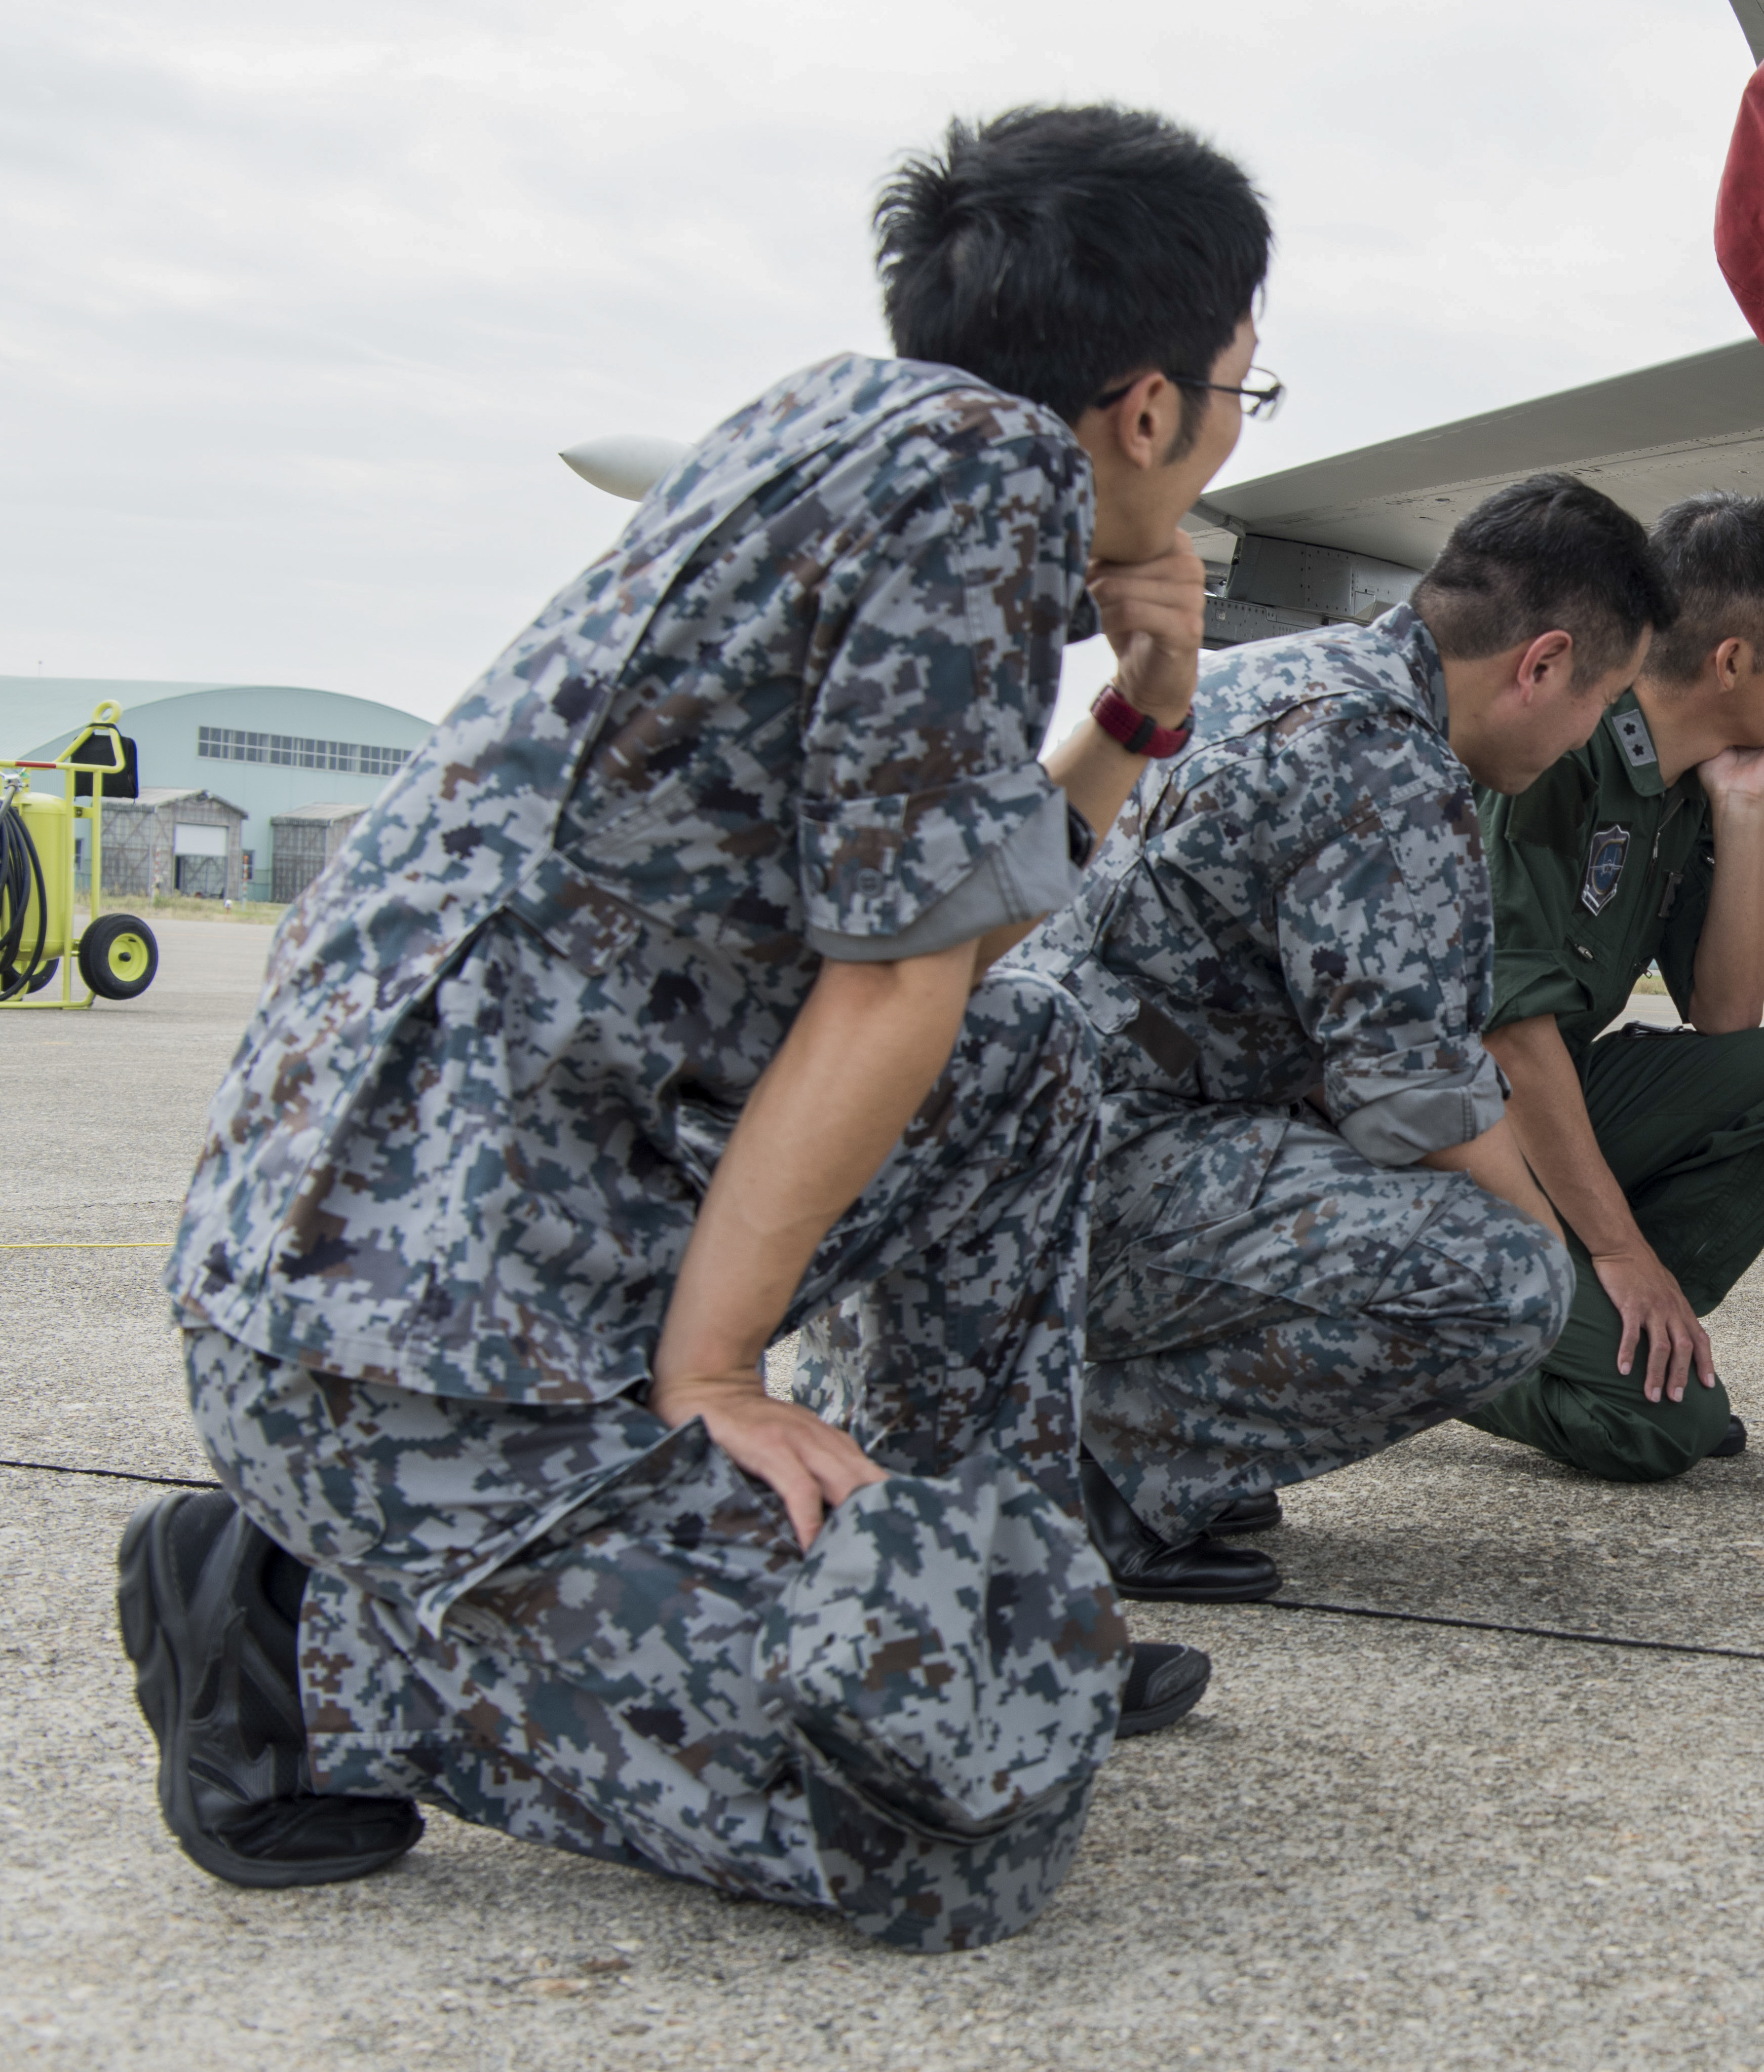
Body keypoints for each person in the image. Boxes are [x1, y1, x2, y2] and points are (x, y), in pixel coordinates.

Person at [134, 105, 1270, 1952]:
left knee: (1026, 1063)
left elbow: (951, 937)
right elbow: (890, 979)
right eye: (1243, 390)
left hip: (528, 1224)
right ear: (1149, 407)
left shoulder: (847, 428)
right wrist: (721, 1373)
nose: (1233, 435)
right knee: (950, 1840)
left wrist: (1138, 707)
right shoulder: (985, 474)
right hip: (413, 1352)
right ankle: (301, 1637)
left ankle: (959, 1577)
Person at [1027, 475, 1670, 1595]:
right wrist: (1555, 1271)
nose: (1581, 745)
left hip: (1026, 1146)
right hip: (1087, 1176)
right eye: (1598, 704)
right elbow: (1416, 1095)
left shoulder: (1268, 673)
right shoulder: (1390, 763)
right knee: (1504, 1281)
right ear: (1545, 662)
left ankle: (1120, 1432)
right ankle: (1099, 1472)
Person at [1456, 493, 1764, 1481]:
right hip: (1436, 1134)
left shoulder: (1684, 789)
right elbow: (1508, 1038)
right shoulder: (1562, 751)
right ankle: (1451, 1340)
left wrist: (1743, 814)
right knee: (1656, 1434)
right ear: (1732, 661)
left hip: (1531, 1113)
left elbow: (1728, 1014)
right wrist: (1621, 1248)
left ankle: (1634, 1350)